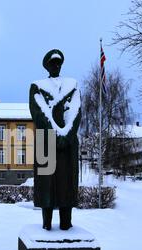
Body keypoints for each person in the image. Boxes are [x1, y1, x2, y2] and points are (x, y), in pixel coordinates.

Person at [29, 49, 82, 231]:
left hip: (68, 144)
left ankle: (66, 223)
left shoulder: (72, 85)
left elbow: (75, 111)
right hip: (46, 141)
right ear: (47, 66)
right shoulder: (37, 86)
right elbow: (39, 113)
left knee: (66, 183)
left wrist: (67, 134)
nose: (56, 66)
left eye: (58, 63)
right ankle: (47, 224)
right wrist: (55, 133)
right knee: (46, 184)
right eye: (53, 63)